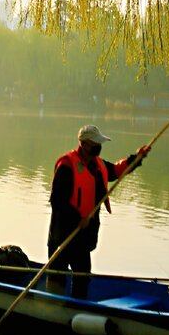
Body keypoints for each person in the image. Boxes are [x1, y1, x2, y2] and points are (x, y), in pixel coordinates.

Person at [47, 123, 151, 297]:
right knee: (57, 278)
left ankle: (78, 306)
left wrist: (137, 158)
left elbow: (117, 171)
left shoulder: (98, 165)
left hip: (82, 236)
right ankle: (50, 307)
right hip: (63, 234)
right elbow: (57, 201)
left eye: (99, 143)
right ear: (83, 144)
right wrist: (78, 219)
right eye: (95, 143)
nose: (98, 146)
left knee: (82, 277)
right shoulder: (66, 165)